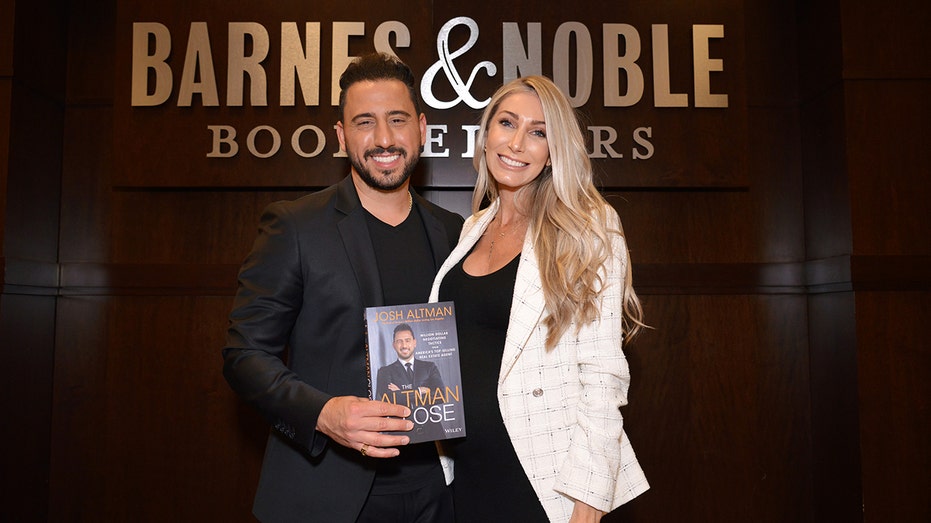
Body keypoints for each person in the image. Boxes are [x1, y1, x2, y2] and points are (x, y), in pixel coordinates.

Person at [222, 52, 463, 523]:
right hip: (328, 495)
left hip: (442, 492)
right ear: (340, 135)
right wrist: (325, 413)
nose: (384, 139)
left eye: (397, 120)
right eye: (364, 122)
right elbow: (244, 356)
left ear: (422, 127)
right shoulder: (295, 226)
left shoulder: (456, 233)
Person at [428, 75, 650, 522]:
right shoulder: (472, 230)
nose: (516, 143)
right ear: (486, 133)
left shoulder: (587, 228)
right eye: (507, 123)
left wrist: (587, 500)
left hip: (542, 480)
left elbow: (603, 375)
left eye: (538, 132)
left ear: (554, 150)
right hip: (467, 476)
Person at [374, 323, 447, 441]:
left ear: (414, 342)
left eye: (407, 340)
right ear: (394, 345)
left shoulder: (429, 367)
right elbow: (390, 398)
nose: (404, 345)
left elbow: (441, 395)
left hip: (433, 431)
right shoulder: (385, 372)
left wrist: (401, 392)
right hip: (401, 434)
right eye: (399, 341)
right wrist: (420, 391)